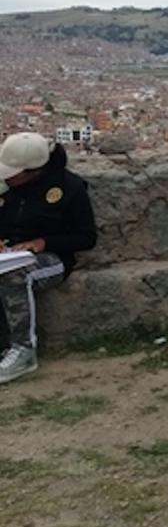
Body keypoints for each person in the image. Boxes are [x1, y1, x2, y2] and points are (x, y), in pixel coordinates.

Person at [0, 133, 97, 383]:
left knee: (15, 275)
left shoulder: (69, 188)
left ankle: (23, 349)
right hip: (9, 254)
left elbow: (86, 237)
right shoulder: (7, 189)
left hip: (52, 259)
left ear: (34, 171)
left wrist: (43, 243)